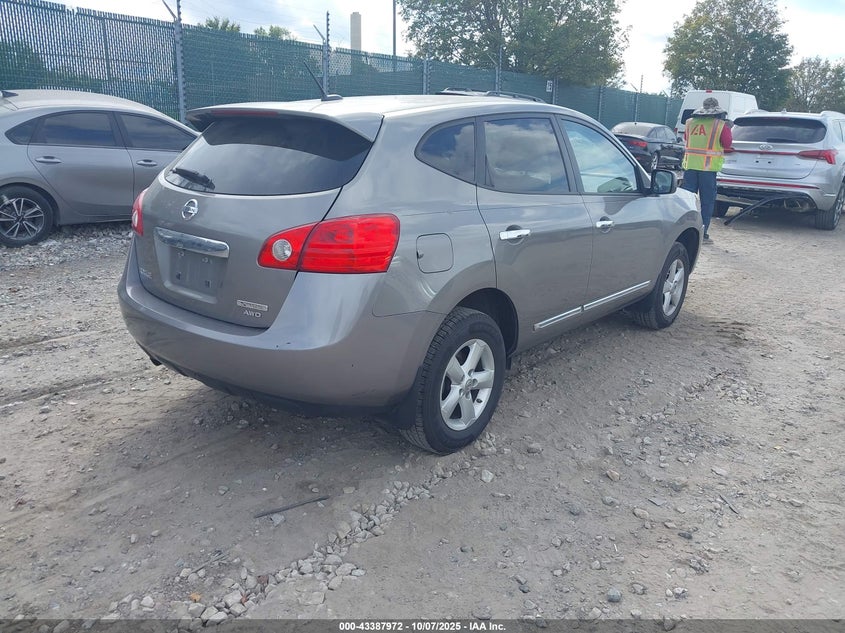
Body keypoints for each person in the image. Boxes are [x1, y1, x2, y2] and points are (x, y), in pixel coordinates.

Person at [681, 97, 733, 244]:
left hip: (690, 167)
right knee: (707, 202)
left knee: (688, 201)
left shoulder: (690, 123)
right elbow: (727, 143)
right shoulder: (720, 125)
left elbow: (686, 138)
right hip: (707, 169)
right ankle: (702, 234)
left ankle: (684, 233)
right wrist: (728, 128)